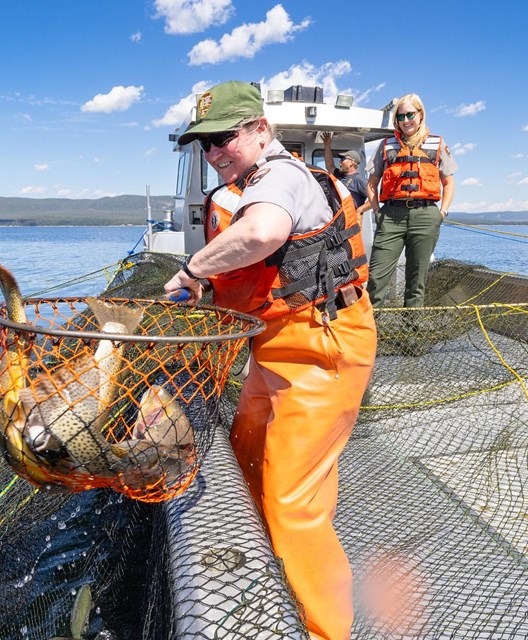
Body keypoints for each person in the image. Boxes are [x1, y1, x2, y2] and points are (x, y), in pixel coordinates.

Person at [164, 80, 377, 640]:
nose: (212, 154)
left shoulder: (281, 175)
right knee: (248, 459)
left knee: (291, 502)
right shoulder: (250, 179)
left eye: (221, 139)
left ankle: (324, 631)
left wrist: (193, 271)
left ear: (260, 131)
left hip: (323, 347)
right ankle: (275, 589)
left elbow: (262, 232)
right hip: (277, 347)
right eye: (201, 145)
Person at [366, 93, 457, 307]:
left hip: (426, 216)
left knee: (416, 282)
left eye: (410, 115)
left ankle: (411, 330)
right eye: (400, 116)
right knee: (377, 278)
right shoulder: (386, 146)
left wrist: (441, 213)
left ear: (420, 114)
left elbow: (449, 183)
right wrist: (378, 212)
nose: (405, 121)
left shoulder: (437, 144)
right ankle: (370, 334)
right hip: (391, 215)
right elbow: (372, 184)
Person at [321, 132, 371, 215]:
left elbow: (374, 198)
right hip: (337, 220)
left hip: (350, 222)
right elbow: (330, 166)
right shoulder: (339, 175)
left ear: (351, 162)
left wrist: (359, 210)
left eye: (343, 159)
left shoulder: (359, 180)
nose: (340, 162)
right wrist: (327, 145)